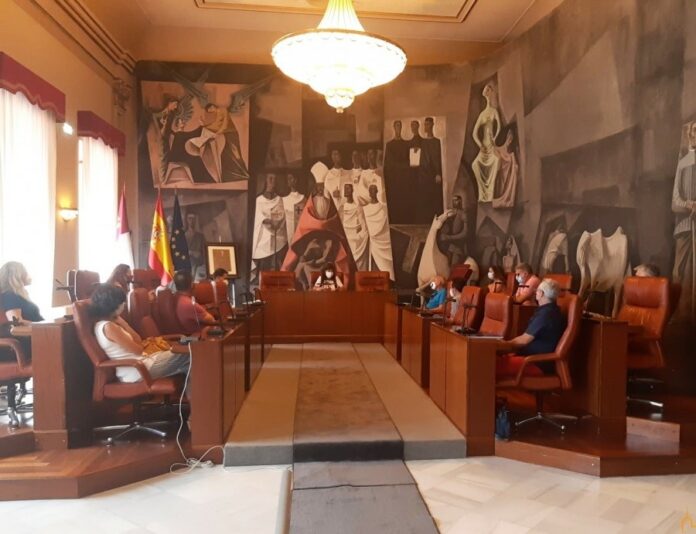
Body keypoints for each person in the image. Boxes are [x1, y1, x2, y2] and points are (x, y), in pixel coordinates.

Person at [89, 284, 190, 389]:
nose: (124, 304)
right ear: (113, 305)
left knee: (190, 360)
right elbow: (138, 350)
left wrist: (124, 324)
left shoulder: (107, 324)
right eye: (121, 302)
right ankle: (195, 397)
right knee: (189, 355)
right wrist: (124, 327)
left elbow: (138, 340)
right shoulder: (109, 327)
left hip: (142, 364)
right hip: (137, 370)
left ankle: (194, 397)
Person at [496, 279, 566, 378]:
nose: (535, 293)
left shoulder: (546, 314)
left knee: (491, 365)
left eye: (537, 291)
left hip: (535, 362)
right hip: (529, 357)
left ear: (541, 293)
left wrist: (503, 345)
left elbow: (524, 340)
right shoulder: (550, 310)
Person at [251, 173, 288, 274]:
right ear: (265, 181)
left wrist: (276, 222)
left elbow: (282, 215)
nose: (272, 181)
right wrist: (268, 221)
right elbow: (258, 216)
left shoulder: (279, 199)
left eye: (274, 179)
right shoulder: (259, 200)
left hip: (277, 235)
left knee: (277, 263)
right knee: (263, 265)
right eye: (270, 179)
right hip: (263, 235)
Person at [472, 83, 502, 202]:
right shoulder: (482, 114)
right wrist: (480, 145)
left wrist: (495, 138)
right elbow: (474, 133)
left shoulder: (494, 111)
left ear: (491, 92)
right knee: (475, 165)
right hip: (484, 147)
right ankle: (482, 194)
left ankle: (490, 194)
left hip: (491, 145)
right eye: (486, 90)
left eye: (489, 90)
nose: (487, 91)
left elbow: (499, 126)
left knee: (497, 161)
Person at [173, 270, 216, 335]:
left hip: (178, 337)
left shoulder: (172, 299)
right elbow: (212, 320)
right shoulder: (189, 304)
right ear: (192, 285)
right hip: (194, 338)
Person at [437, 195, 468, 265]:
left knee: (454, 265)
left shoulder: (463, 214)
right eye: (453, 200)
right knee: (446, 264)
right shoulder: (451, 213)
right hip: (450, 245)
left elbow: (465, 233)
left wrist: (448, 237)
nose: (455, 202)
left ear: (461, 201)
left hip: (459, 246)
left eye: (457, 200)